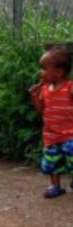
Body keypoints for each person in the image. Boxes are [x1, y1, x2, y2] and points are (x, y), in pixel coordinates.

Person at [29, 48, 73, 199]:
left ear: (59, 72)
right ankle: (55, 185)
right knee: (52, 161)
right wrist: (34, 95)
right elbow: (41, 109)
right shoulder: (45, 89)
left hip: (70, 134)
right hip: (51, 135)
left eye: (44, 69)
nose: (41, 72)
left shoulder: (70, 87)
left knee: (72, 159)